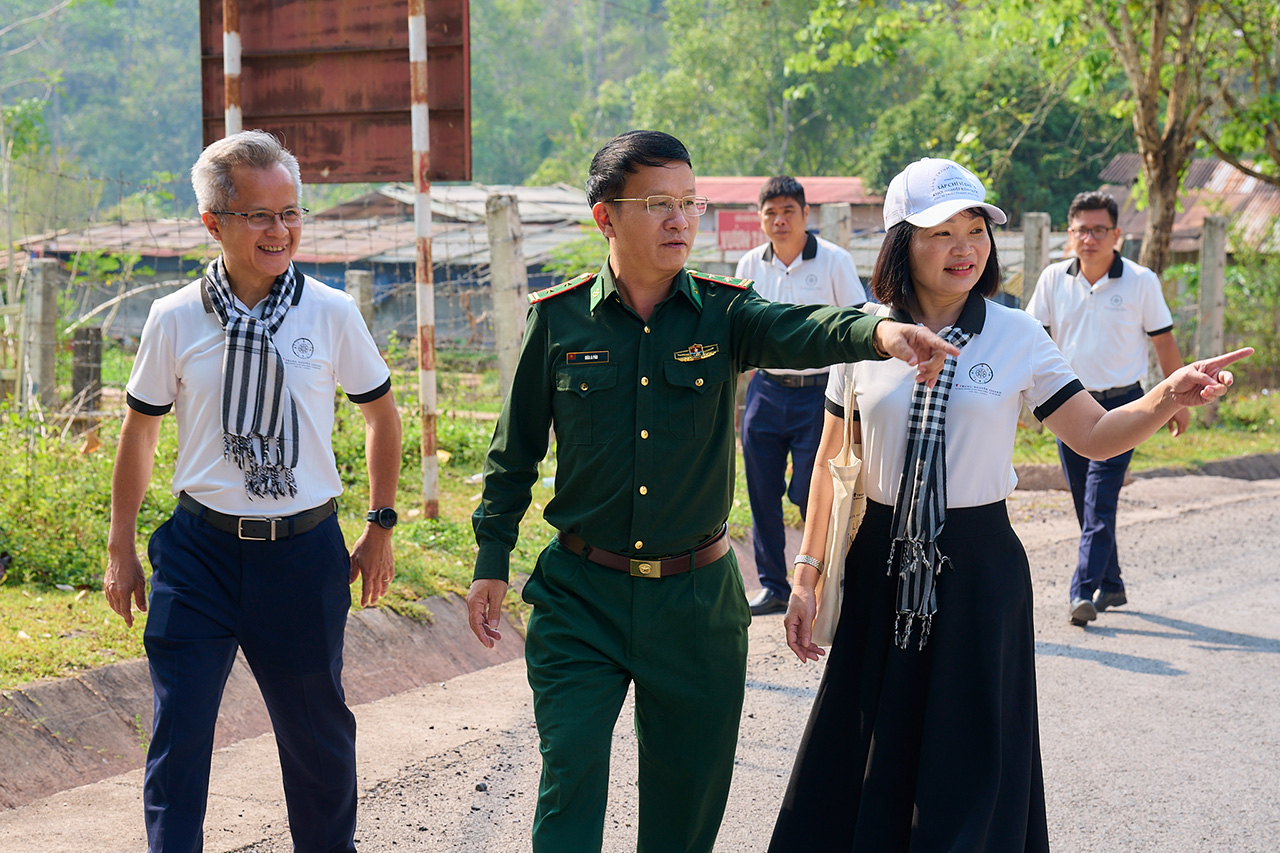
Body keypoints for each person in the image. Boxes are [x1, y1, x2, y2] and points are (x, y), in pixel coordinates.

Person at [465, 130, 963, 853]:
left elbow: (803, 327)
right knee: (570, 775)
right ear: (606, 216)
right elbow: (512, 456)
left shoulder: (724, 314)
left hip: (695, 604)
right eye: (658, 203)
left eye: (689, 204)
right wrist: (490, 558)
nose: (679, 220)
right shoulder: (558, 319)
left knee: (684, 807)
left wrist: (882, 333)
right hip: (581, 597)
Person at [769, 158, 1249, 852]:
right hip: (879, 560)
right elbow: (828, 460)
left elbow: (1095, 433)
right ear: (902, 241)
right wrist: (807, 575)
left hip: (979, 568)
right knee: (867, 741)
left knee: (970, 751)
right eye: (942, 232)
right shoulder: (864, 335)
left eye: (976, 229)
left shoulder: (1017, 335)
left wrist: (1165, 394)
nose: (966, 247)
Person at [103, 130, 402, 853]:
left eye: (291, 213)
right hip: (198, 554)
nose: (280, 230)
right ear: (214, 223)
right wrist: (119, 543)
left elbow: (381, 416)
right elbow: (140, 435)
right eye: (260, 216)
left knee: (318, 744)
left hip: (301, 556)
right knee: (180, 738)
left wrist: (381, 522)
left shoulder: (330, 312)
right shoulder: (175, 318)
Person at [1025, 191, 1188, 625]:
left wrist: (1176, 402)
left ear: (1116, 235)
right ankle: (1112, 583)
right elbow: (1032, 341)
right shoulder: (1053, 280)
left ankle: (1083, 592)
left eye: (1100, 230)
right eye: (1081, 230)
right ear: (1070, 234)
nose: (1090, 239)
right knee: (1085, 501)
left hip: (1125, 405)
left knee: (1099, 501)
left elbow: (1164, 342)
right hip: (1070, 405)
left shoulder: (1140, 281)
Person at [736, 176, 866, 616]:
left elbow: (855, 323)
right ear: (760, 219)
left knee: (810, 489)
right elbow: (738, 328)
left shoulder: (834, 261)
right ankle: (773, 585)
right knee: (761, 491)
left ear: (806, 215)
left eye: (788, 211)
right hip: (767, 390)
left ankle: (820, 576)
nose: (779, 220)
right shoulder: (750, 264)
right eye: (770, 212)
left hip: (820, 394)